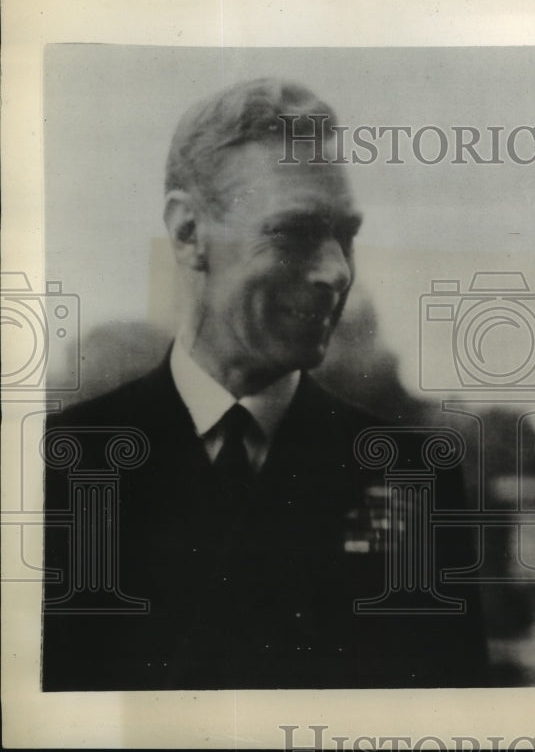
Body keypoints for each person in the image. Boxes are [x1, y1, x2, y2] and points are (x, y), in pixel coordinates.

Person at [42, 78, 487, 690]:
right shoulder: (59, 466)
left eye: (346, 236)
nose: (336, 271)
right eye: (295, 233)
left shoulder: (410, 478)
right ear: (188, 233)